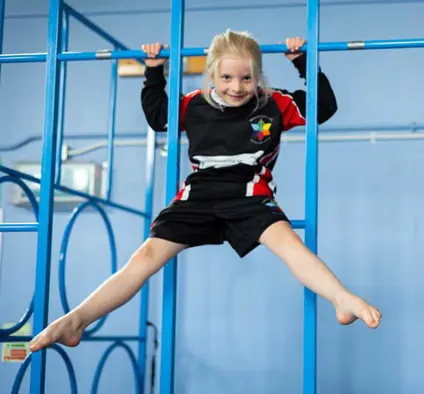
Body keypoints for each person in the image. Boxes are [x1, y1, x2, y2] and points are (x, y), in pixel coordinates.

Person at [29, 30, 381, 353]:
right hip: (198, 194)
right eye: (226, 77)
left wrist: (303, 63)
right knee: (145, 258)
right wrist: (154, 70)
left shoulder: (273, 102)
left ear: (258, 76)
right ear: (212, 73)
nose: (236, 86)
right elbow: (158, 117)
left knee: (290, 245)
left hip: (249, 193)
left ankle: (340, 298)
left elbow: (324, 107)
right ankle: (76, 321)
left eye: (246, 77)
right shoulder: (194, 103)